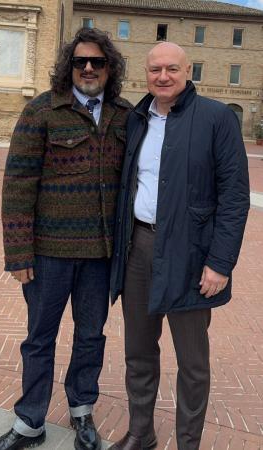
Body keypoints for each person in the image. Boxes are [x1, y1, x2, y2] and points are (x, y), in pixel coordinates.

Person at [0, 27, 131, 450]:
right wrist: (18, 254)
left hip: (100, 255)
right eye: (80, 62)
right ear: (68, 66)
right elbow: (17, 184)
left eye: (98, 62)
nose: (88, 68)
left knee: (91, 336)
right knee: (39, 339)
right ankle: (30, 421)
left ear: (110, 69)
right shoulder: (41, 111)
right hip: (48, 254)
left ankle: (82, 410)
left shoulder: (124, 115)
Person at [109, 42, 249, 450]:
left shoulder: (217, 118)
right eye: (155, 70)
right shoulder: (137, 119)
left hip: (191, 255)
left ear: (188, 71)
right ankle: (141, 432)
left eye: (172, 68)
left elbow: (235, 196)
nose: (163, 76)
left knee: (191, 362)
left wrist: (220, 263)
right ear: (145, 73)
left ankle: (188, 441)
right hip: (139, 247)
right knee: (138, 350)